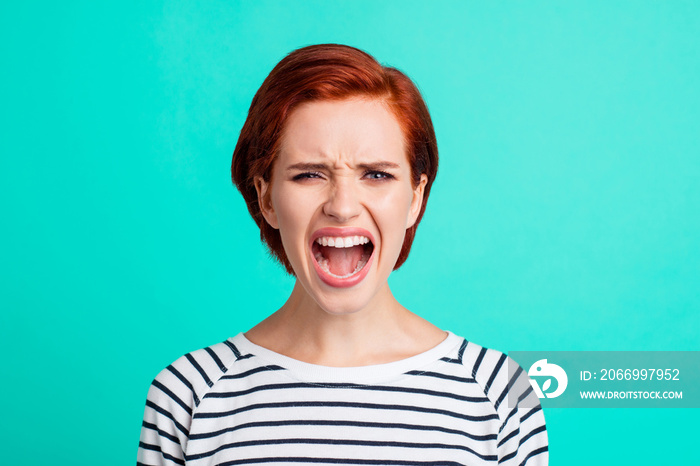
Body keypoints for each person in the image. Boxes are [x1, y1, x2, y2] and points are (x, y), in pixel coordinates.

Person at [137, 44, 548, 465]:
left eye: (376, 174)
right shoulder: (187, 396)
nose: (343, 205)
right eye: (310, 174)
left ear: (415, 198)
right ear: (267, 199)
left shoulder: (500, 394)